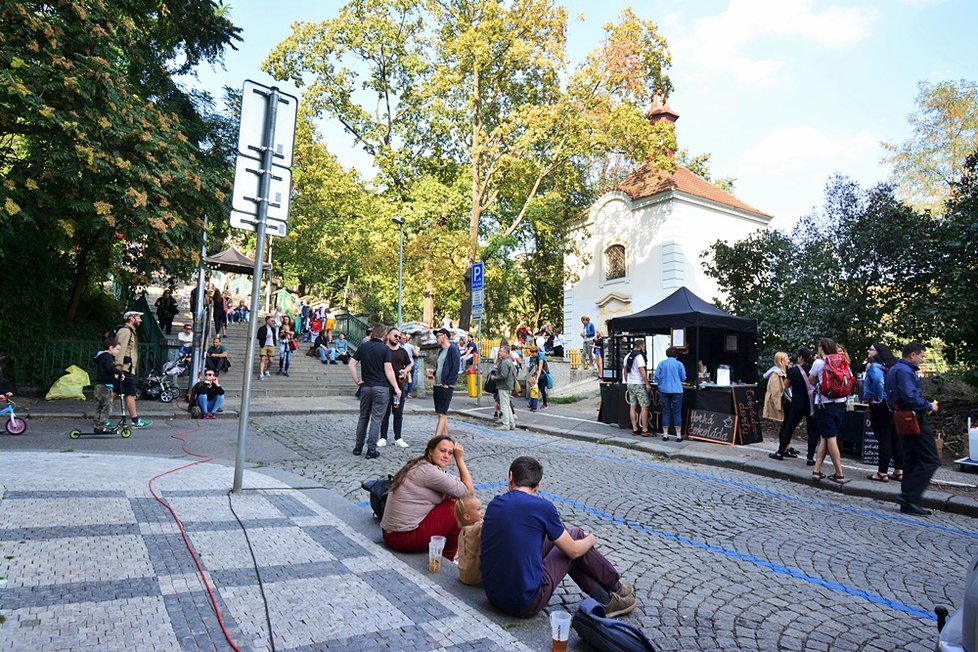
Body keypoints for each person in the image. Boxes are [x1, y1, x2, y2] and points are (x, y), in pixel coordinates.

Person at [481, 456, 636, 618]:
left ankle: (608, 596)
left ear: (511, 477)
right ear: (538, 485)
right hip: (525, 603)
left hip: (493, 595)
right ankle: (615, 588)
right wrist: (591, 539)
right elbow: (574, 551)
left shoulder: (494, 504)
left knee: (564, 539)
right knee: (575, 538)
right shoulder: (543, 507)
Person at [381, 435, 474, 560]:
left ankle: (444, 550)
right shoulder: (430, 472)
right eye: (442, 451)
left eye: (451, 453)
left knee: (451, 496)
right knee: (456, 507)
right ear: (431, 451)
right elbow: (468, 491)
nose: (446, 456)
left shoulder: (421, 465)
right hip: (402, 538)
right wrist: (459, 459)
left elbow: (455, 483)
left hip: (391, 533)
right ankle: (447, 557)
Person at [886, 341, 939, 516]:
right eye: (922, 356)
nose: (923, 360)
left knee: (911, 458)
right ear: (912, 355)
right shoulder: (905, 371)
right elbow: (910, 397)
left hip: (901, 416)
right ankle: (909, 497)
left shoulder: (895, 369)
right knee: (930, 459)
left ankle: (908, 500)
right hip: (913, 417)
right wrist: (929, 405)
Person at [348, 323, 402, 459]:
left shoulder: (363, 347)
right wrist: (396, 387)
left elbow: (351, 364)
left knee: (363, 417)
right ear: (384, 335)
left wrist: (357, 380)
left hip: (365, 387)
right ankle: (371, 449)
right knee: (376, 419)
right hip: (381, 388)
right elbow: (388, 370)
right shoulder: (385, 350)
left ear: (372, 333)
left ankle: (358, 447)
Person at [810, 338, 850, 484]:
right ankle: (816, 470)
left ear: (821, 348)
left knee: (830, 437)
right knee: (825, 436)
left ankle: (839, 474)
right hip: (840, 403)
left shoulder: (819, 363)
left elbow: (811, 381)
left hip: (823, 404)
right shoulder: (843, 361)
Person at [864, 343, 903, 483]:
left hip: (881, 406)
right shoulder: (893, 366)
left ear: (878, 352)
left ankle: (882, 472)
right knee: (895, 438)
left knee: (883, 439)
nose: (868, 351)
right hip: (894, 405)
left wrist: (878, 399)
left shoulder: (874, 366)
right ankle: (899, 471)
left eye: (871, 349)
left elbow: (878, 382)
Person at [771, 348, 815, 461]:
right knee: (812, 431)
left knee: (789, 427)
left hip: (797, 403)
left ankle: (781, 452)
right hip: (811, 404)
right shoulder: (813, 369)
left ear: (800, 357)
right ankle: (810, 458)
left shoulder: (794, 371)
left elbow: (786, 386)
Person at [113, 310, 150, 428]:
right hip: (125, 369)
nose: (140, 320)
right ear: (131, 318)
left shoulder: (130, 332)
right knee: (130, 394)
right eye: (138, 317)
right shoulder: (125, 331)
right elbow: (119, 350)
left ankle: (101, 417)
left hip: (127, 369)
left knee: (114, 393)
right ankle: (135, 420)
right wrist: (118, 368)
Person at [379, 326, 412, 448]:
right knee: (384, 413)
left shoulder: (402, 351)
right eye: (395, 336)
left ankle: (398, 437)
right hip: (384, 386)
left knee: (398, 413)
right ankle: (383, 437)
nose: (397, 338)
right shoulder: (383, 349)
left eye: (399, 336)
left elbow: (409, 364)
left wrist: (406, 370)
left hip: (399, 387)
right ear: (388, 336)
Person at [431, 328, 461, 437]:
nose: (437, 338)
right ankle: (446, 438)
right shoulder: (441, 351)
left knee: (442, 413)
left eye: (438, 336)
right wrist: (434, 374)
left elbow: (455, 367)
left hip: (446, 385)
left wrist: (448, 383)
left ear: (444, 336)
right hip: (438, 384)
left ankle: (436, 439)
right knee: (441, 413)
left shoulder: (453, 349)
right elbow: (442, 367)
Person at [654, 345, 686, 441]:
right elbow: (683, 378)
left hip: (664, 390)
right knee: (677, 412)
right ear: (676, 355)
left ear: (667, 354)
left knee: (665, 411)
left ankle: (665, 434)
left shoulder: (661, 364)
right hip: (677, 390)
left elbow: (656, 377)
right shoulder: (679, 364)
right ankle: (678, 435)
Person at [93, 338, 122, 434]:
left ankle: (97, 426)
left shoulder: (101, 356)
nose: (118, 352)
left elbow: (106, 369)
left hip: (99, 384)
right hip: (106, 385)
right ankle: (102, 426)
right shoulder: (108, 356)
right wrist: (119, 373)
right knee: (106, 406)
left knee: (99, 406)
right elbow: (110, 368)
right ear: (110, 348)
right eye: (117, 349)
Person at [454, 495, 485, 586]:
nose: (482, 512)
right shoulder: (474, 529)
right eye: (478, 509)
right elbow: (486, 525)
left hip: (463, 574)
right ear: (467, 516)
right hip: (475, 577)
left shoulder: (463, 530)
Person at [624, 339, 652, 437]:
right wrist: (647, 383)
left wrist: (627, 381)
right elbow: (642, 370)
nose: (644, 348)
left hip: (630, 383)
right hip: (639, 383)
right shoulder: (639, 356)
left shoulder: (627, 356)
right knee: (644, 406)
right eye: (643, 346)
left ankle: (635, 428)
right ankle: (644, 429)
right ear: (640, 346)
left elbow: (625, 370)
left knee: (633, 406)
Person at [762, 352, 789, 423]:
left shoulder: (781, 373)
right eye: (787, 358)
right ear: (781, 361)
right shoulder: (775, 375)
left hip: (783, 402)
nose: (789, 360)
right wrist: (778, 407)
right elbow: (775, 393)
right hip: (780, 403)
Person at [495, 346, 517, 430]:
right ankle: (511, 423)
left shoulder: (504, 363)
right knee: (507, 405)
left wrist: (495, 377)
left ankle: (506, 424)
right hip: (509, 385)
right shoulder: (510, 362)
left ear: (506, 353)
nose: (499, 353)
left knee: (504, 405)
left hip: (504, 386)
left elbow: (503, 375)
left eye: (501, 351)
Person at [256, 315, 278, 380]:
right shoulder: (262, 328)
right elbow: (258, 337)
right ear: (267, 321)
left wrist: (274, 344)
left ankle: (267, 370)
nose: (273, 322)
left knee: (271, 360)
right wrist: (265, 337)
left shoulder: (273, 329)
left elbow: (274, 337)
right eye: (272, 321)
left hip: (271, 345)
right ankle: (261, 373)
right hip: (264, 345)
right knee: (263, 359)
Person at [533, 336, 551, 410]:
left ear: (536, 352)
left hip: (544, 375)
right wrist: (535, 373)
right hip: (541, 375)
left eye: (533, 353)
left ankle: (545, 404)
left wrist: (536, 378)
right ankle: (533, 403)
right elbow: (537, 367)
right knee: (539, 389)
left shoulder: (540, 357)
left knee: (542, 389)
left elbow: (540, 368)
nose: (532, 354)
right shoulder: (537, 357)